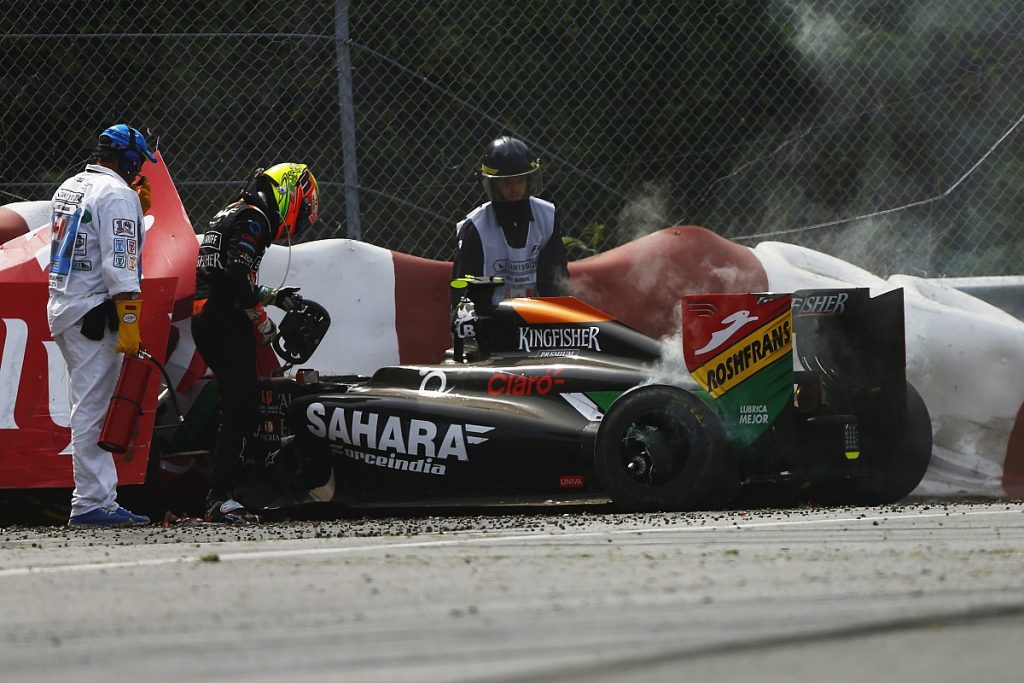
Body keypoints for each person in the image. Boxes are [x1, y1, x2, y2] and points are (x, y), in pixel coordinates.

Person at [191, 163, 319, 523]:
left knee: (239, 405)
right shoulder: (255, 218)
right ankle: (223, 497)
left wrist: (274, 297)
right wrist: (261, 319)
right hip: (223, 319)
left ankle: (230, 490)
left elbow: (231, 275)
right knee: (241, 410)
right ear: (290, 193)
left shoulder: (234, 211)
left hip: (208, 315)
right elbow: (235, 275)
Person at [47, 123, 157, 527]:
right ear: (128, 158)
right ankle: (92, 502)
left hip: (65, 305)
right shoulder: (117, 194)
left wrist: (135, 213)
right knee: (93, 407)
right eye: (137, 163)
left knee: (87, 404)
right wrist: (131, 319)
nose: (138, 172)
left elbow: (88, 242)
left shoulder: (70, 185)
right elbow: (121, 263)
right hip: (95, 313)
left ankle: (98, 499)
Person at [450, 136, 569, 309]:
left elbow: (555, 279)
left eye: (519, 181)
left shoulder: (547, 217)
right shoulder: (476, 228)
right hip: (490, 323)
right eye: (507, 182)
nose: (514, 189)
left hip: (536, 321)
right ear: (493, 184)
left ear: (529, 180)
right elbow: (465, 296)